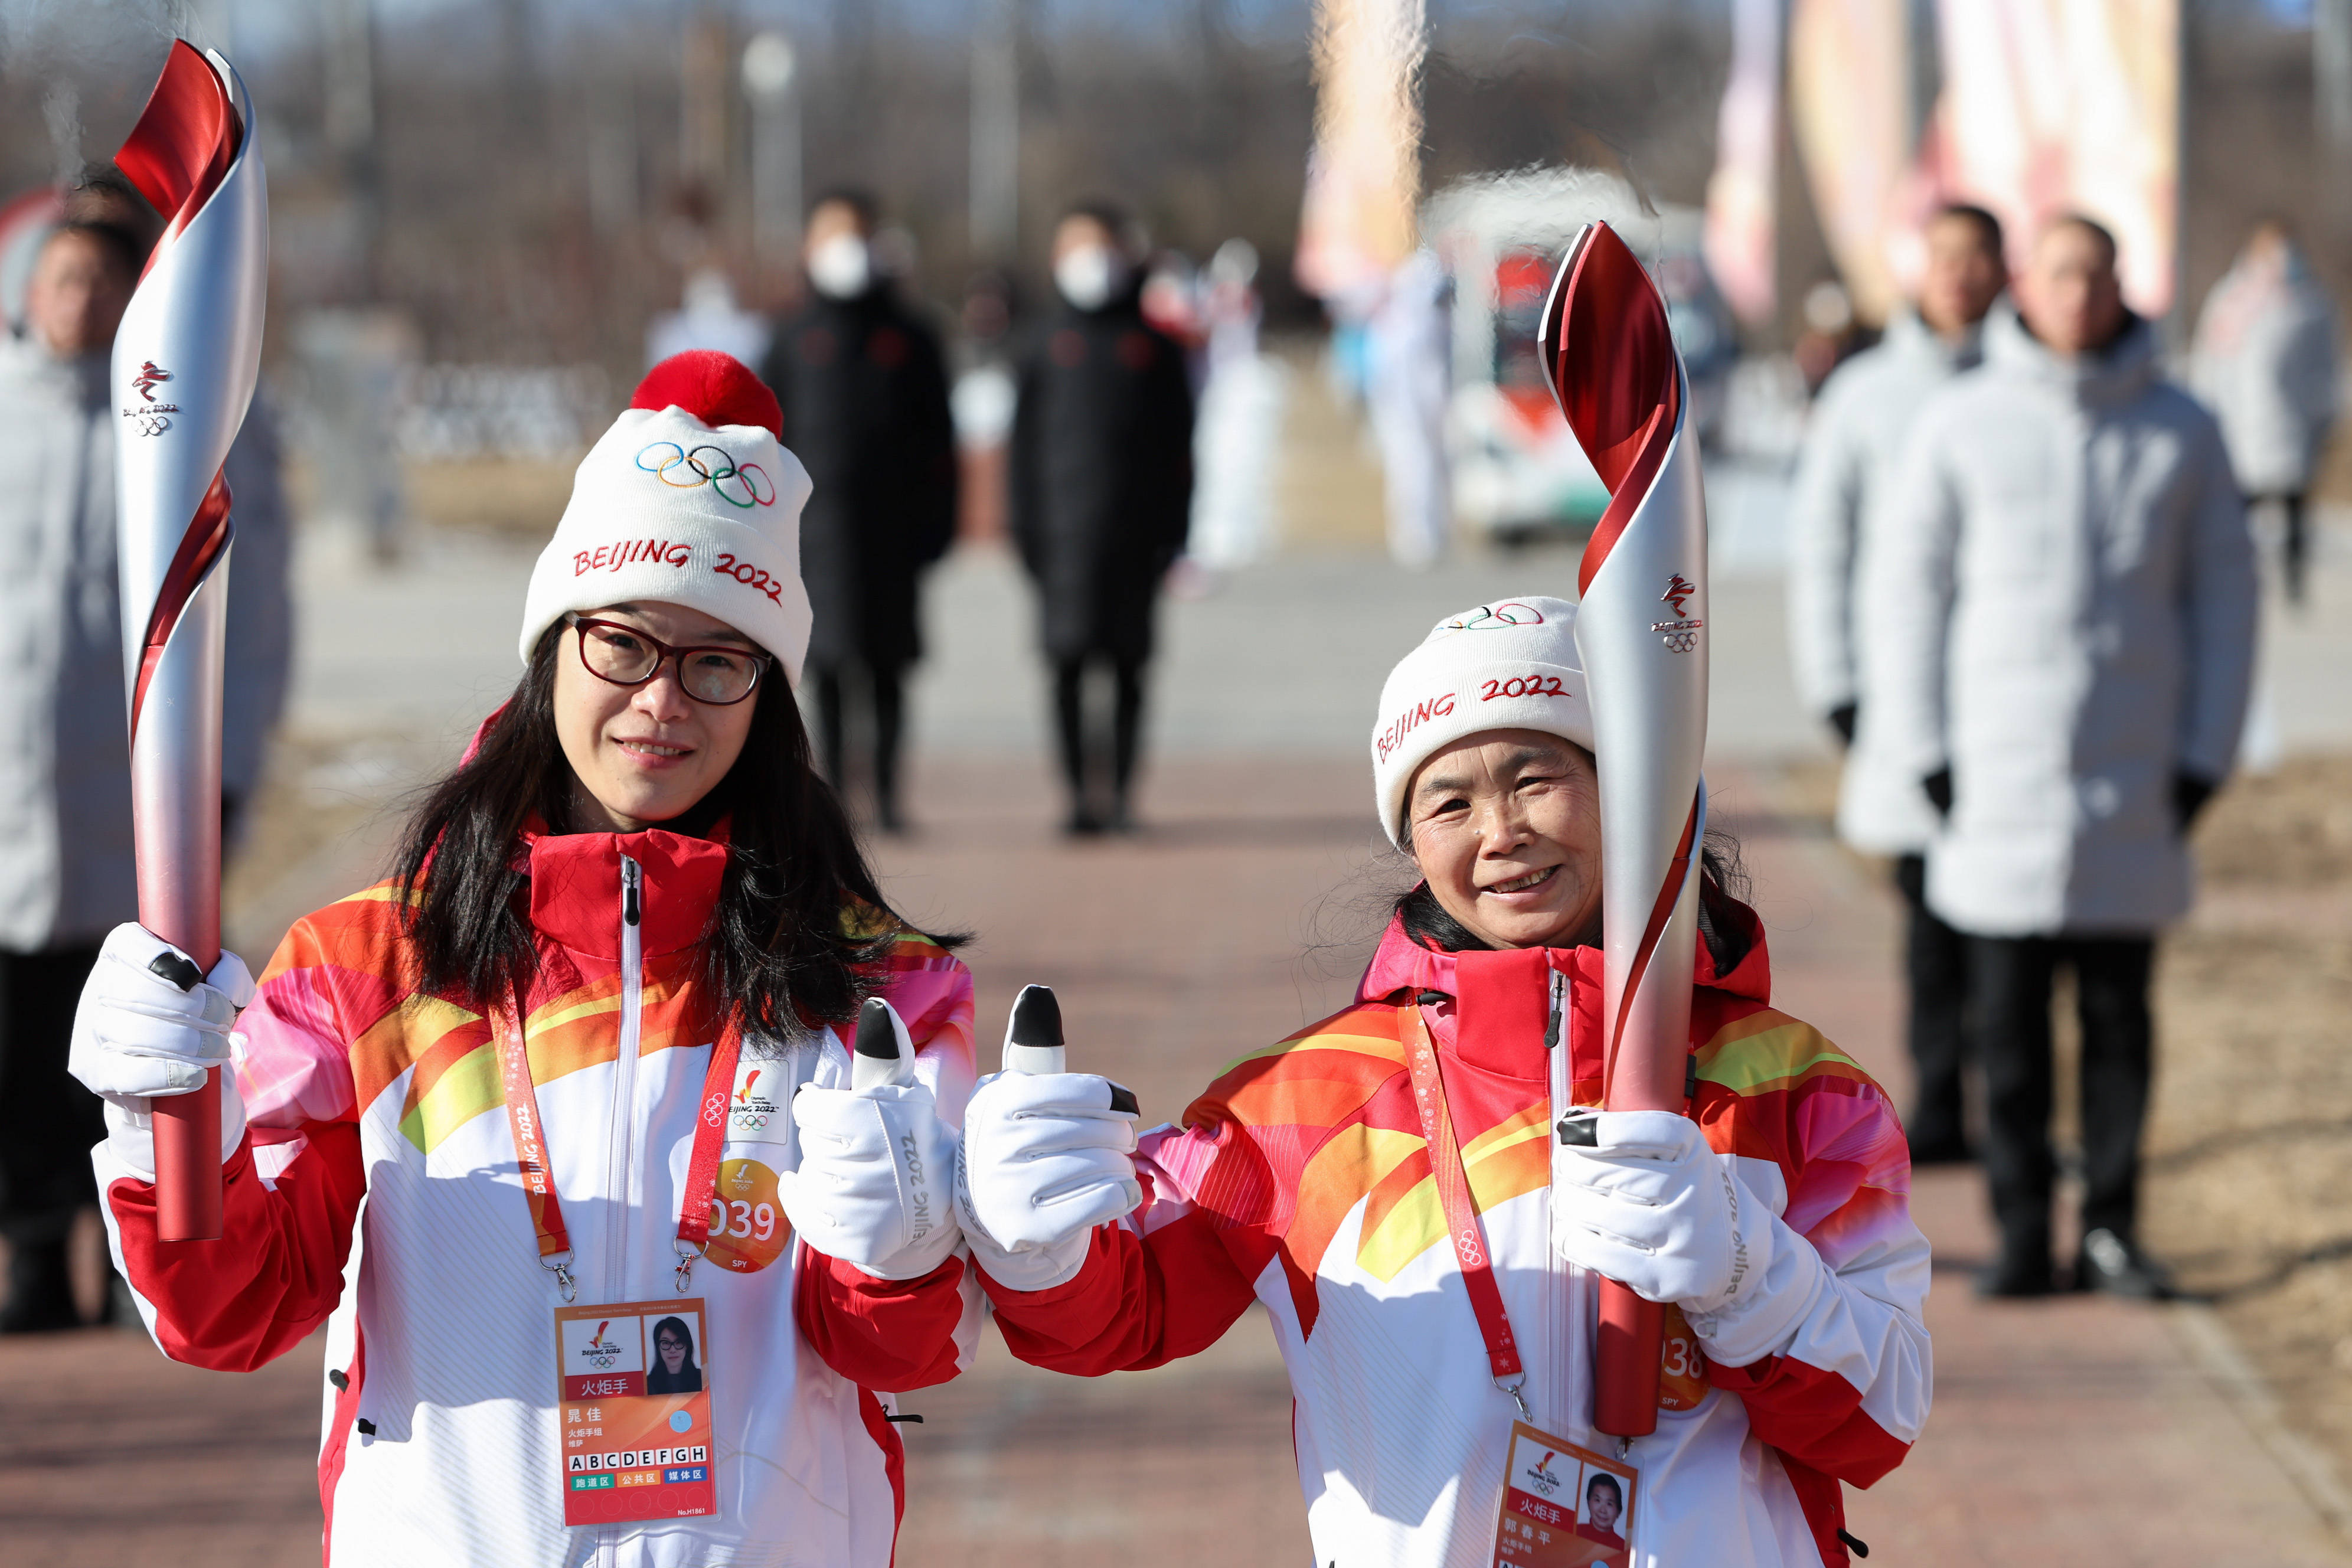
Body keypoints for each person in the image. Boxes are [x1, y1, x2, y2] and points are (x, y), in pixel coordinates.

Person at [69, 352, 983, 1564]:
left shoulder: (882, 990)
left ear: (768, 692)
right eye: (624, 642)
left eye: (719, 659)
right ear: (553, 644)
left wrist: (899, 1245)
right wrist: (167, 1117)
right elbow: (227, 1309)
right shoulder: (363, 964)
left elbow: (901, 1352)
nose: (663, 699)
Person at [950, 600, 1930, 1566]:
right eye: (1448, 802)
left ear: (1630, 787)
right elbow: (1119, 1312)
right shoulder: (1306, 1100)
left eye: (1535, 777)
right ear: (1412, 844)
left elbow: (1879, 1420)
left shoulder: (1799, 1092)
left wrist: (1743, 1274)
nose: (1498, 831)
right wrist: (1033, 1241)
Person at [1877, 217, 2259, 1299]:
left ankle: (2109, 1227)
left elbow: (2226, 597)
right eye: (2057, 273)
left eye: (2094, 273)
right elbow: (1908, 595)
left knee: (2115, 1023)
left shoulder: (2180, 429)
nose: (2077, 293)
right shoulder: (1960, 422)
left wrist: (2202, 756)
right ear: (2023, 287)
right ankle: (2016, 1231)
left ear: (2116, 285)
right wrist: (1925, 752)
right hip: (1989, 788)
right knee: (2003, 1031)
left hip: (2130, 785)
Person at [0, 213, 289, 1333]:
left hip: (130, 798)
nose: (79, 298)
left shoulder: (178, 422)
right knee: (18, 1031)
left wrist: (229, 763)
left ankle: (138, 1249)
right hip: (11, 788)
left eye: (102, 282)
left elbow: (252, 611)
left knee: (132, 1024)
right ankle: (30, 1250)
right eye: (63, 277)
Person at [1786, 204, 2008, 1165]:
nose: (1959, 275)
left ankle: (2012, 1107)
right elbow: (1821, 545)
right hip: (1899, 694)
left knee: (2010, 927)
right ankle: (1937, 1094)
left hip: (2011, 702)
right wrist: (1835, 682)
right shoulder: (1865, 393)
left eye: (1977, 258)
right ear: (1921, 266)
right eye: (1944, 254)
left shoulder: (2022, 387)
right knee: (1926, 915)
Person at [760, 191, 957, 832]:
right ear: (809, 248)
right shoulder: (791, 337)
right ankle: (838, 800)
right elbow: (763, 440)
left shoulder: (911, 335)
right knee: (829, 674)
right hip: (814, 539)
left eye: (858, 234)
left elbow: (940, 442)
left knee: (890, 669)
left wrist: (938, 526)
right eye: (833, 234)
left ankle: (893, 798)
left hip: (894, 534)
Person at [1009, 200, 1194, 834]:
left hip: (1136, 540)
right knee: (1064, 667)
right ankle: (1075, 798)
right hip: (1062, 541)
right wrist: (1025, 532)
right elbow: (1021, 451)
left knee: (1128, 671)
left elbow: (1181, 449)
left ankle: (1119, 795)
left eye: (1105, 245)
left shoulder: (1155, 345)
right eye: (1079, 246)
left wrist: (1176, 533)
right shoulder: (1040, 343)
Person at [2191, 220, 2340, 606]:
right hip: (2239, 424)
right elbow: (2210, 360)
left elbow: (2325, 365)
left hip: (2291, 424)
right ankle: (2233, 581)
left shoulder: (2310, 302)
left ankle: (2294, 586)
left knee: (2295, 511)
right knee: (2234, 514)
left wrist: (2320, 411)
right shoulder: (2232, 298)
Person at [646, 1315, 704, 1394]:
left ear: (687, 1346)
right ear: (658, 1348)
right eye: (666, 1343)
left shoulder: (702, 1378)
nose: (672, 1350)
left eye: (679, 1342)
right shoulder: (648, 1384)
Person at [1577, 1469, 1626, 1551]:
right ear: (1588, 1502)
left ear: (1619, 1511)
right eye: (1597, 1500)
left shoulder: (1623, 1547)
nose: (1603, 1510)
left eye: (1609, 1504)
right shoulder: (1577, 1531)